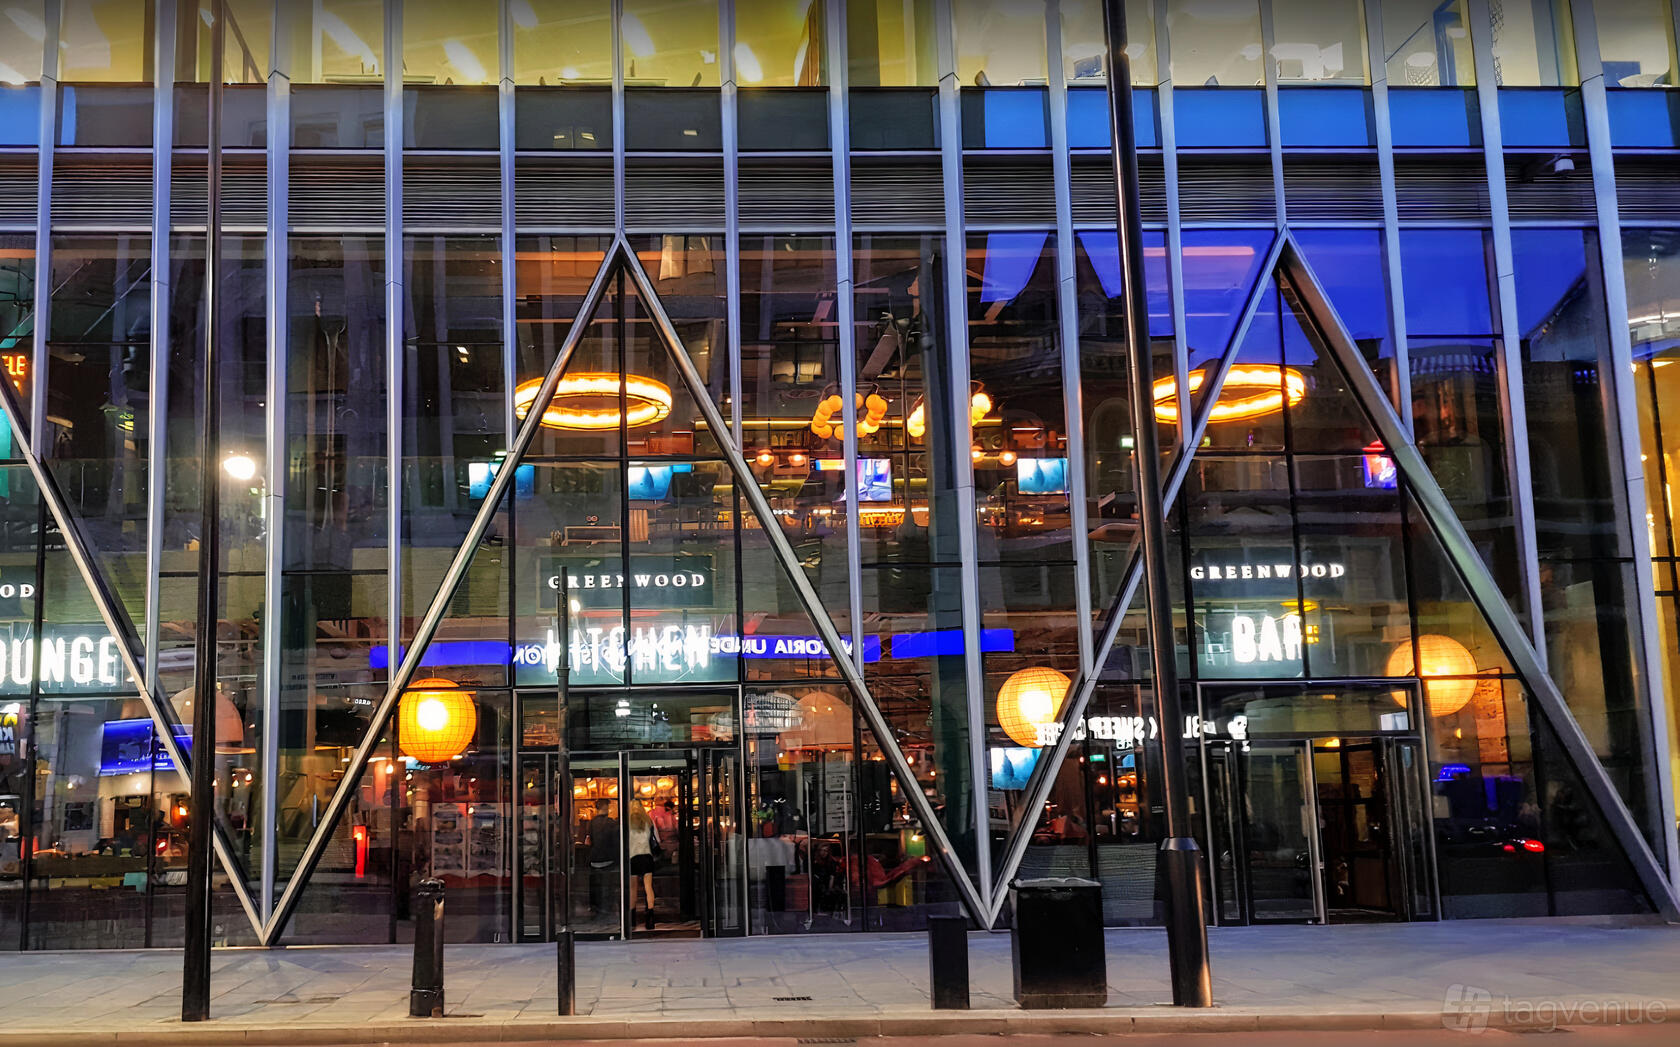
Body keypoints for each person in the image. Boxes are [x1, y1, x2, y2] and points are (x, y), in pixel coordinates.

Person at [626, 800, 659, 931]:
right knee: (648, 887)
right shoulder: (649, 822)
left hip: (632, 858)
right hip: (647, 857)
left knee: (633, 889)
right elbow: (657, 840)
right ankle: (650, 918)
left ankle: (632, 919)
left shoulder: (626, 823)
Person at [585, 801, 618, 916]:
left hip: (594, 859)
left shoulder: (592, 822)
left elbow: (589, 840)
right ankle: (607, 906)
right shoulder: (611, 823)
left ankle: (595, 906)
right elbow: (616, 842)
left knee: (595, 884)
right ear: (606, 807)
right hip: (608, 859)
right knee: (609, 884)